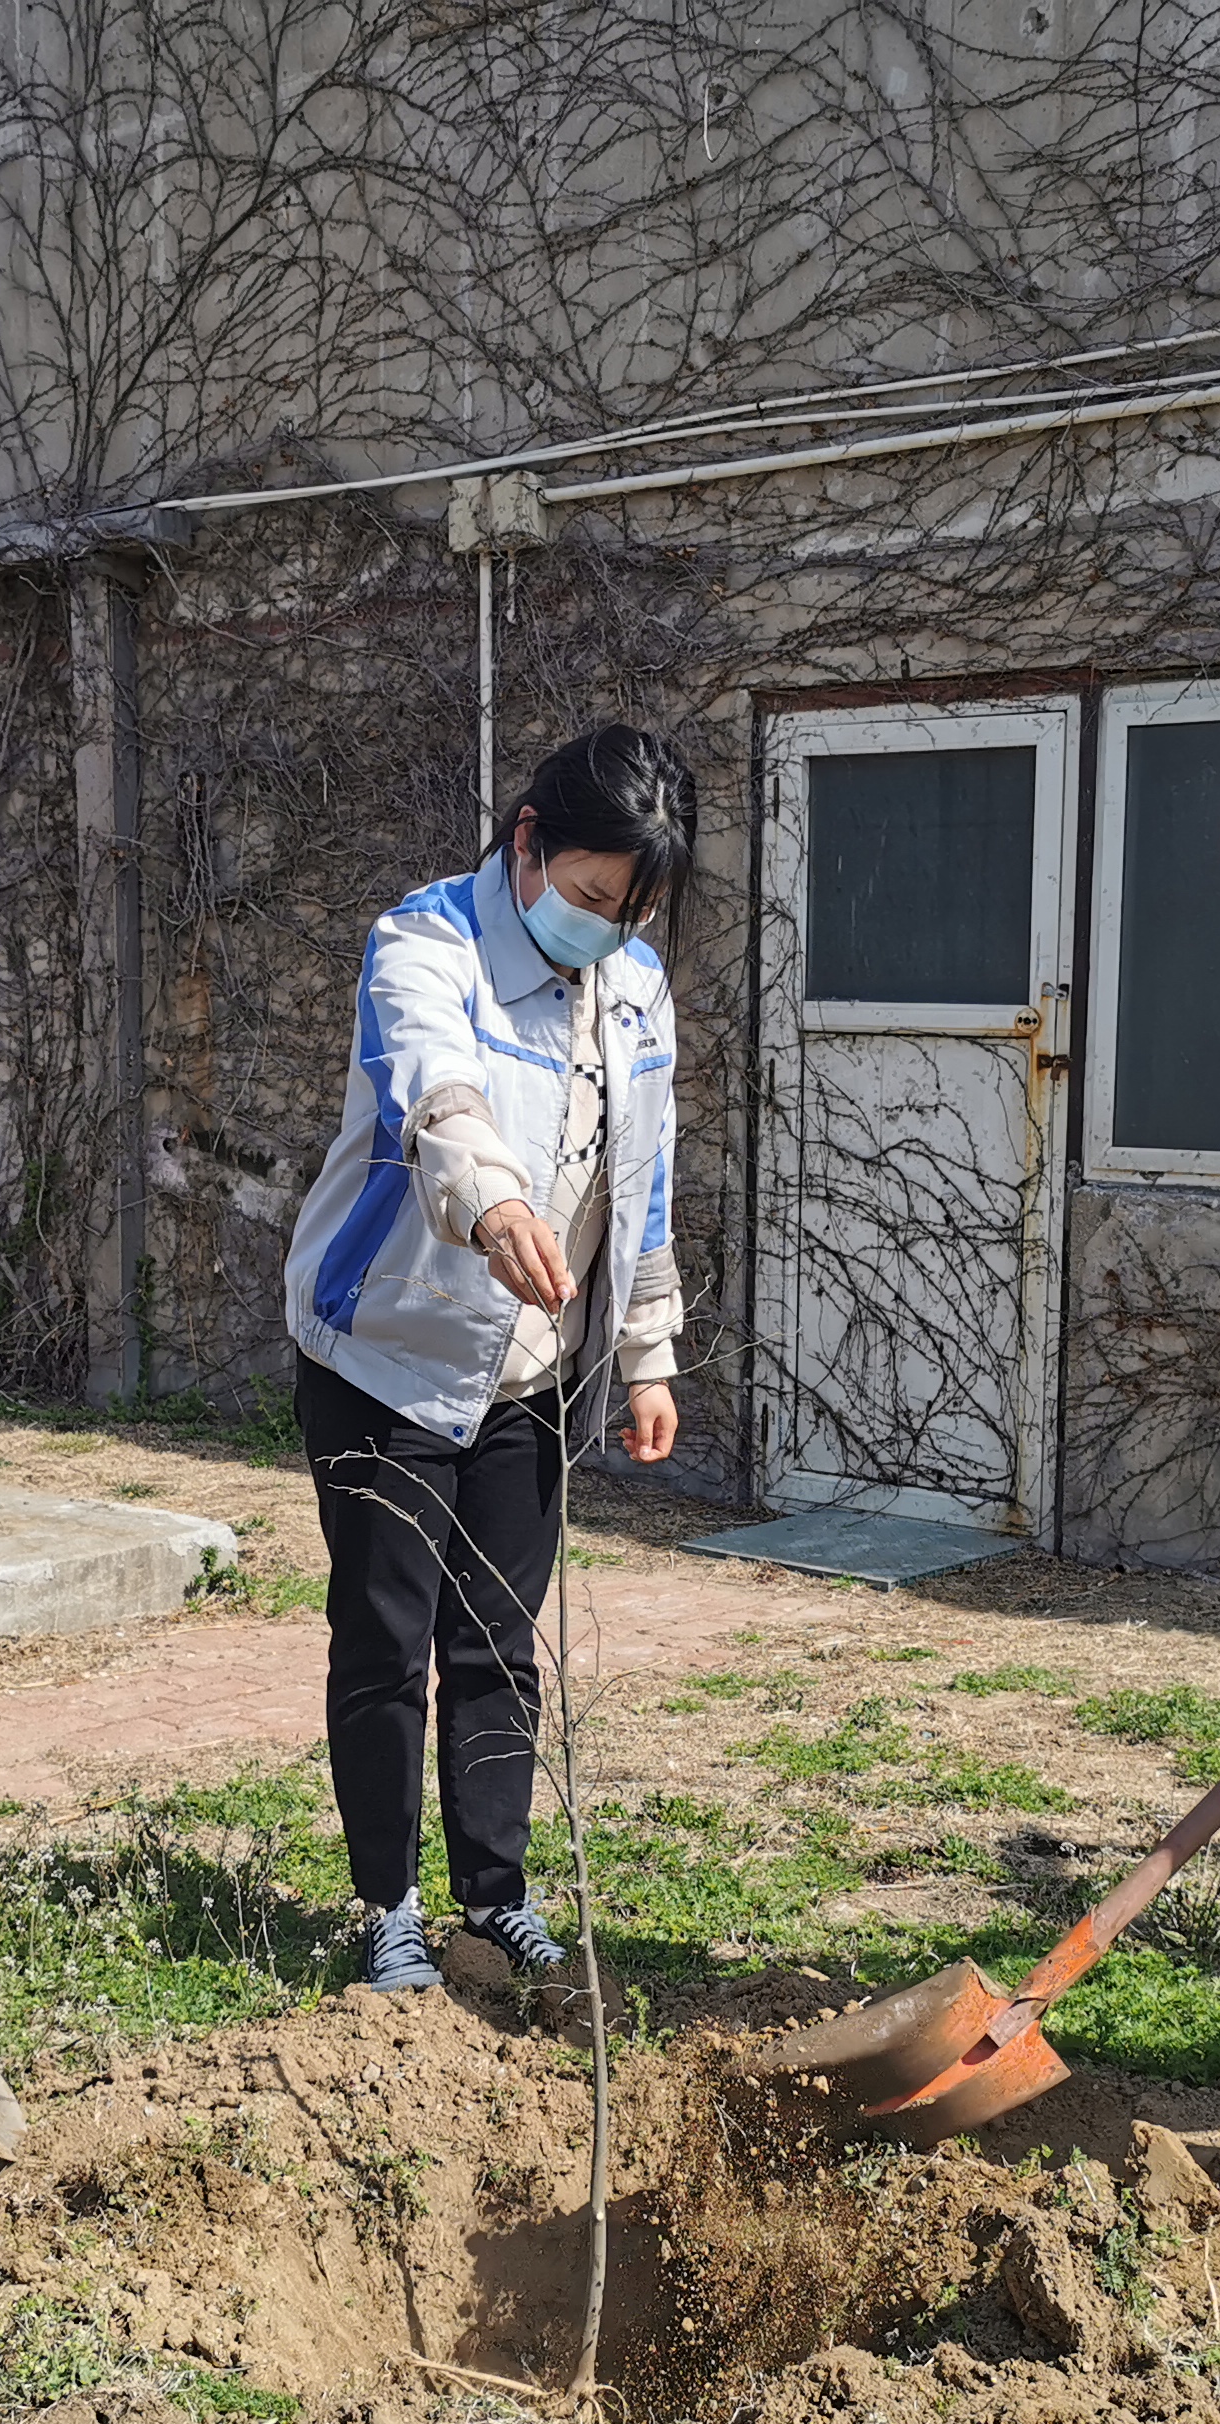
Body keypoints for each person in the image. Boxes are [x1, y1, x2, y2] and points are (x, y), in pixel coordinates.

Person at [282, 725, 697, 1993]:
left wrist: (646, 1352)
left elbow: (645, 1180)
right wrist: (494, 1201)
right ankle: (389, 1907)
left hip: (534, 1361)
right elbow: (434, 1092)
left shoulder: (635, 990)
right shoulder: (423, 943)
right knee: (385, 1636)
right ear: (526, 840)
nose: (603, 930)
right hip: (390, 1352)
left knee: (497, 1641)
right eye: (585, 898)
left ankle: (494, 1897)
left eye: (625, 913)